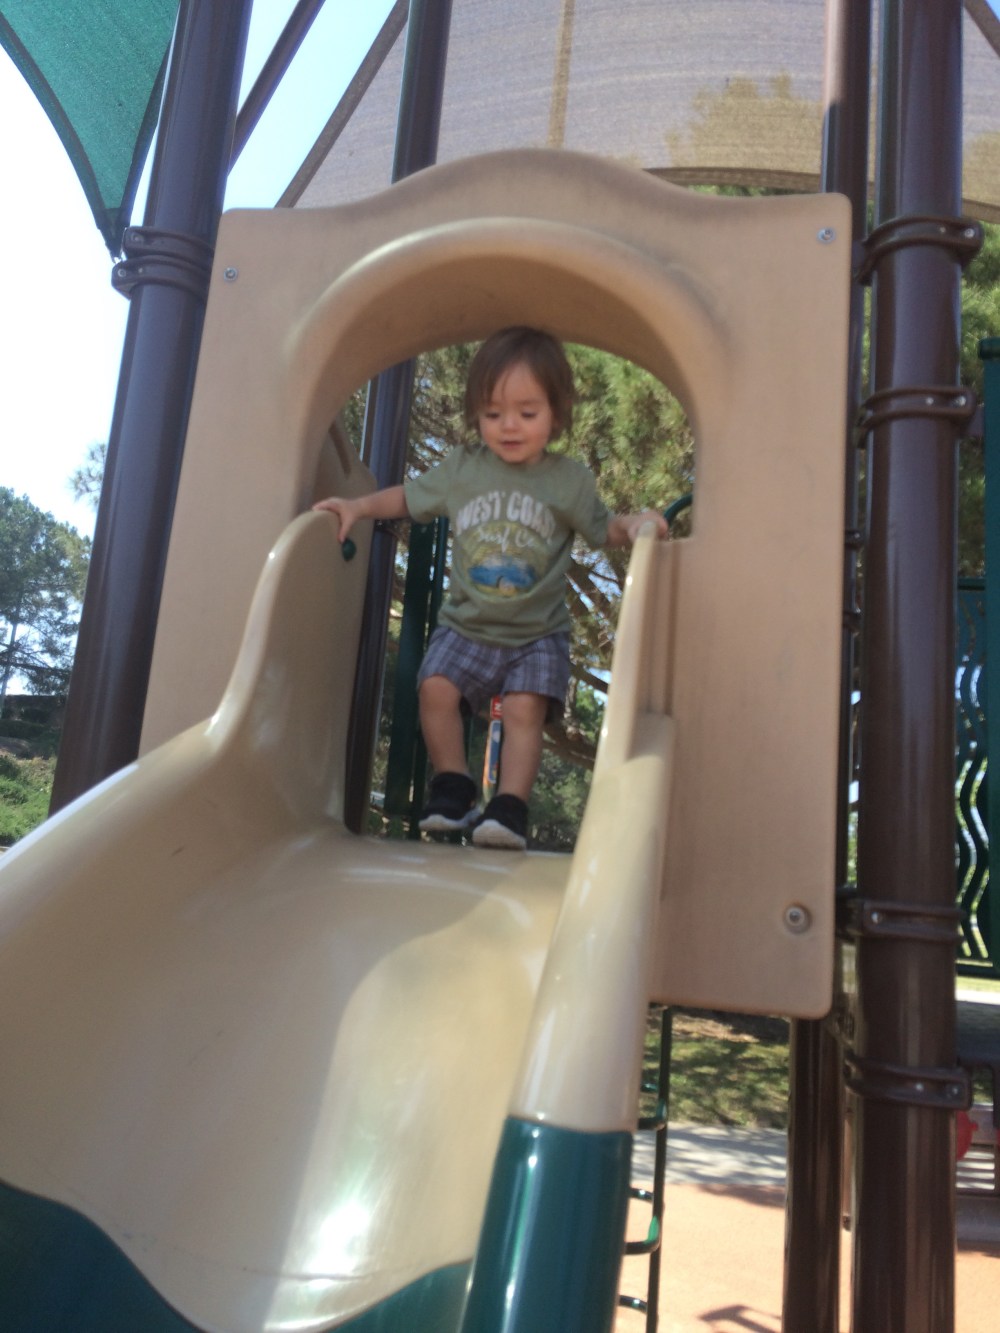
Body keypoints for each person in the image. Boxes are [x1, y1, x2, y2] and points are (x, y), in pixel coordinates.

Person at [314, 326, 668, 850]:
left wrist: (635, 524)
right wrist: (358, 506)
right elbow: (408, 498)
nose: (509, 425)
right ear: (475, 413)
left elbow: (603, 528)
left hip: (537, 632)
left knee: (525, 709)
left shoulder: (568, 481)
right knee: (435, 688)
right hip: (467, 624)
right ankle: (454, 786)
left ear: (557, 413)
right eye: (493, 412)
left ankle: (510, 808)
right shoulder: (464, 470)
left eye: (527, 412)